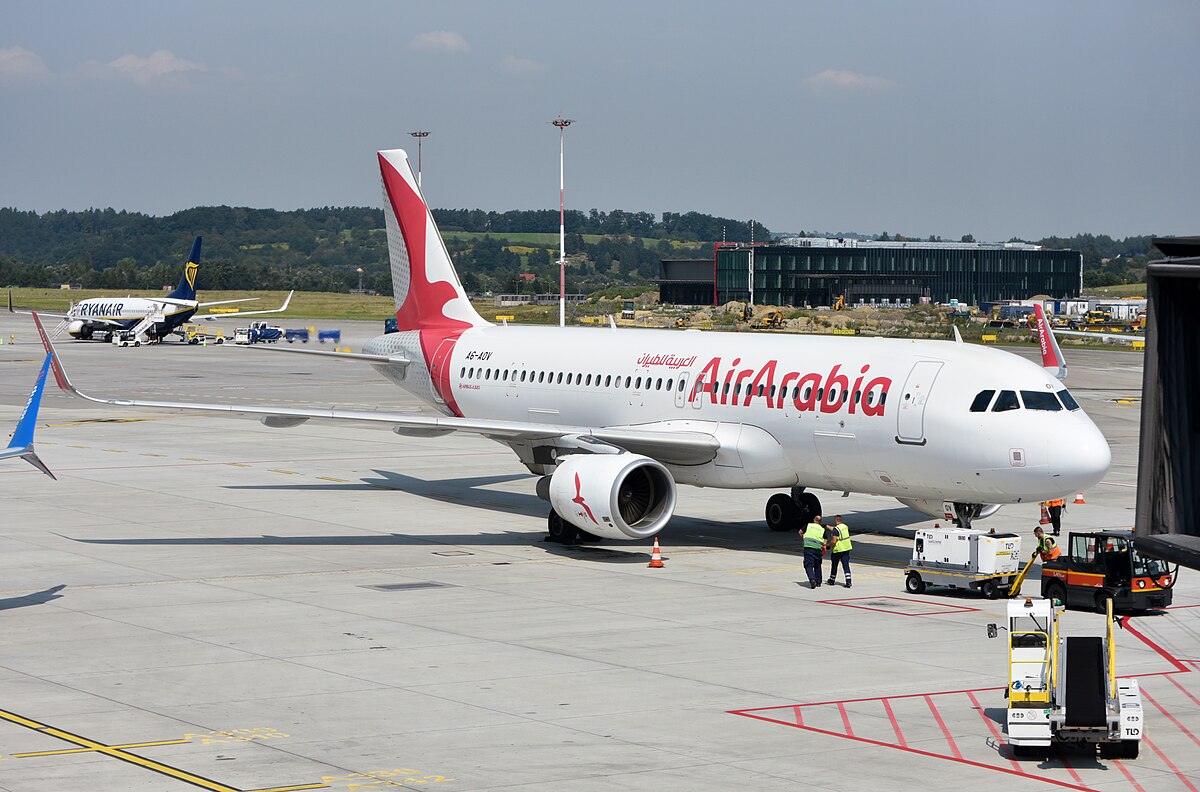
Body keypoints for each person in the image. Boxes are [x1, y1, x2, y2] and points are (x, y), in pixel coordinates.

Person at [801, 514, 828, 589]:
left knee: (808, 565)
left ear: (814, 520)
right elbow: (825, 541)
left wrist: (804, 538)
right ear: (820, 522)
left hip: (809, 548)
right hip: (818, 549)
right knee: (817, 565)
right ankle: (818, 582)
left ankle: (812, 579)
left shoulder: (808, 525)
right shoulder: (822, 529)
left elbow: (800, 532)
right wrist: (823, 546)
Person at [826, 515, 853, 588]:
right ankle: (848, 581)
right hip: (846, 548)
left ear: (835, 521)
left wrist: (828, 546)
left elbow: (834, 541)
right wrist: (828, 527)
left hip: (838, 549)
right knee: (846, 565)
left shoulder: (836, 530)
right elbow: (837, 530)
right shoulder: (845, 527)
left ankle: (832, 579)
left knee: (834, 565)